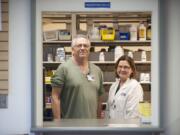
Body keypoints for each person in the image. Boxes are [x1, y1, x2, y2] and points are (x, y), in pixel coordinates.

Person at [51, 34, 104, 120]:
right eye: (79, 45)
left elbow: (99, 98)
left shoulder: (97, 70)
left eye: (86, 46)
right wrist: (58, 122)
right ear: (72, 49)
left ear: (89, 49)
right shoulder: (64, 69)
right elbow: (55, 96)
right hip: (70, 126)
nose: (83, 48)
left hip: (93, 126)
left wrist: (98, 121)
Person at [107, 55, 143, 119]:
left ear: (132, 70)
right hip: (112, 125)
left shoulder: (135, 86)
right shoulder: (113, 86)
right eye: (120, 67)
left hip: (127, 127)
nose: (122, 69)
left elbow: (133, 114)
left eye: (126, 67)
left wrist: (125, 128)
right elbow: (109, 108)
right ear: (116, 68)